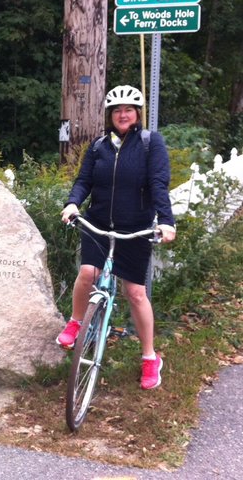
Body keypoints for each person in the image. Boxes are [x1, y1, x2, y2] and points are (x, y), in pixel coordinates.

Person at [57, 85, 176, 390]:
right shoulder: (99, 146)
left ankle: (150, 358)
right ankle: (76, 321)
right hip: (97, 223)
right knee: (87, 273)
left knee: (135, 292)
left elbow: (158, 183)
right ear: (110, 116)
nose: (123, 115)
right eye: (117, 111)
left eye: (129, 110)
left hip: (134, 227)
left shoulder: (150, 144)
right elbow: (83, 181)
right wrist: (73, 203)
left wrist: (166, 221)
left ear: (137, 114)